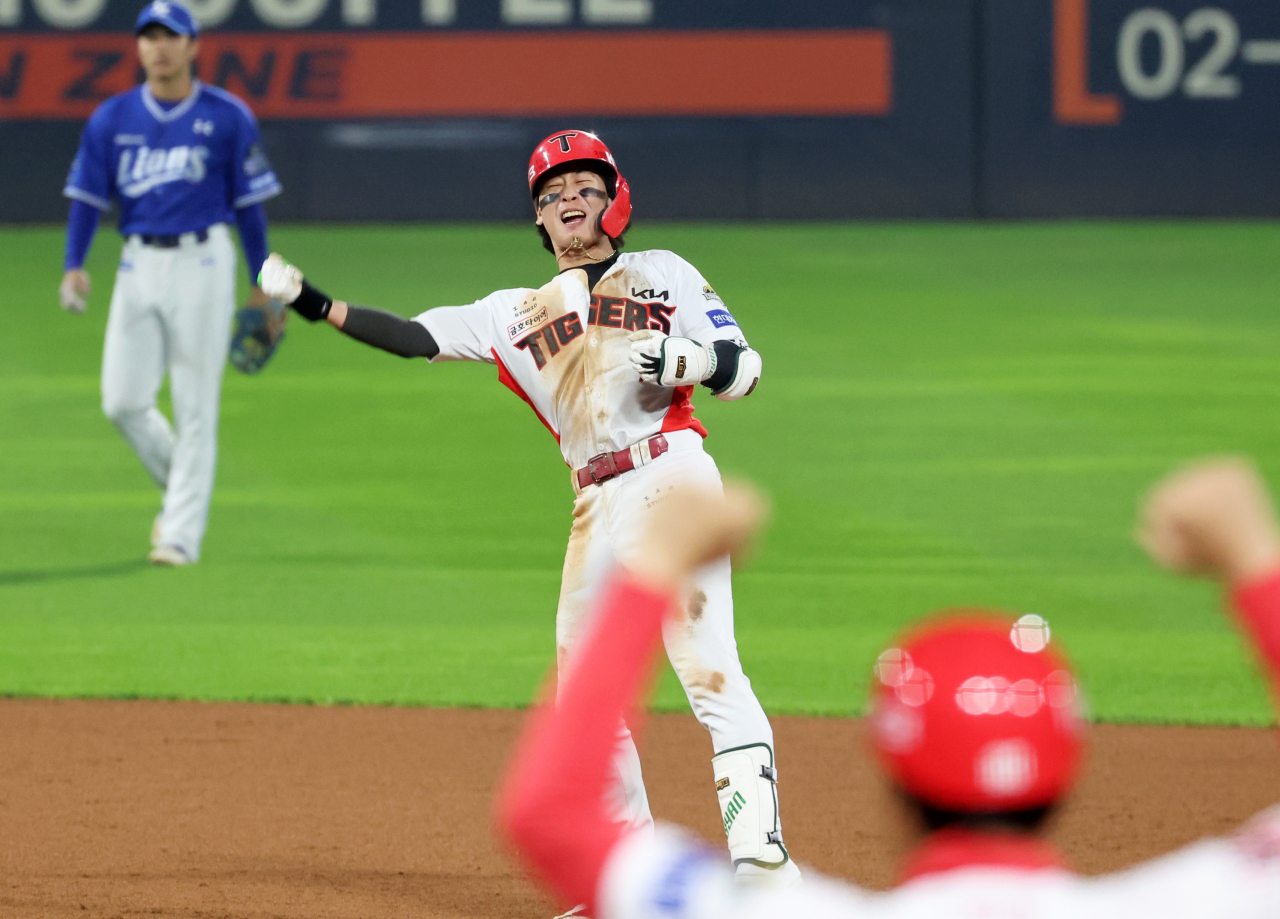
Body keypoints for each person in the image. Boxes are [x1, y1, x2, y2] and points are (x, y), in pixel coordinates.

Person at [257, 130, 798, 892]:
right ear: (538, 221)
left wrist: (698, 361)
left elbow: (745, 372)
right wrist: (313, 303)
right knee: (586, 696)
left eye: (583, 188)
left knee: (707, 666)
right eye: (551, 195)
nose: (568, 202)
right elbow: (415, 337)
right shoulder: (513, 314)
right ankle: (623, 878)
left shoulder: (663, 274)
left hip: (671, 475)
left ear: (615, 201)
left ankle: (764, 865)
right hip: (594, 506)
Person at [494, 458, 1280, 918]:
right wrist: (1253, 557)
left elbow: (547, 812)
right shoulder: (1200, 899)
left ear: (891, 772)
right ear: (1070, 764)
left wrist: (654, 566)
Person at [59, 0, 282, 566]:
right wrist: (74, 264)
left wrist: (262, 282)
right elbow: (87, 199)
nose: (158, 47)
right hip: (137, 264)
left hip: (204, 263)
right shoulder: (112, 119)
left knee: (194, 404)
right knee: (122, 401)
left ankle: (181, 536)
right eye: (149, 37)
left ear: (192, 46)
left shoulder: (228, 116)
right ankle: (181, 491)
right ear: (138, 47)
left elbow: (249, 208)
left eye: (170, 36)